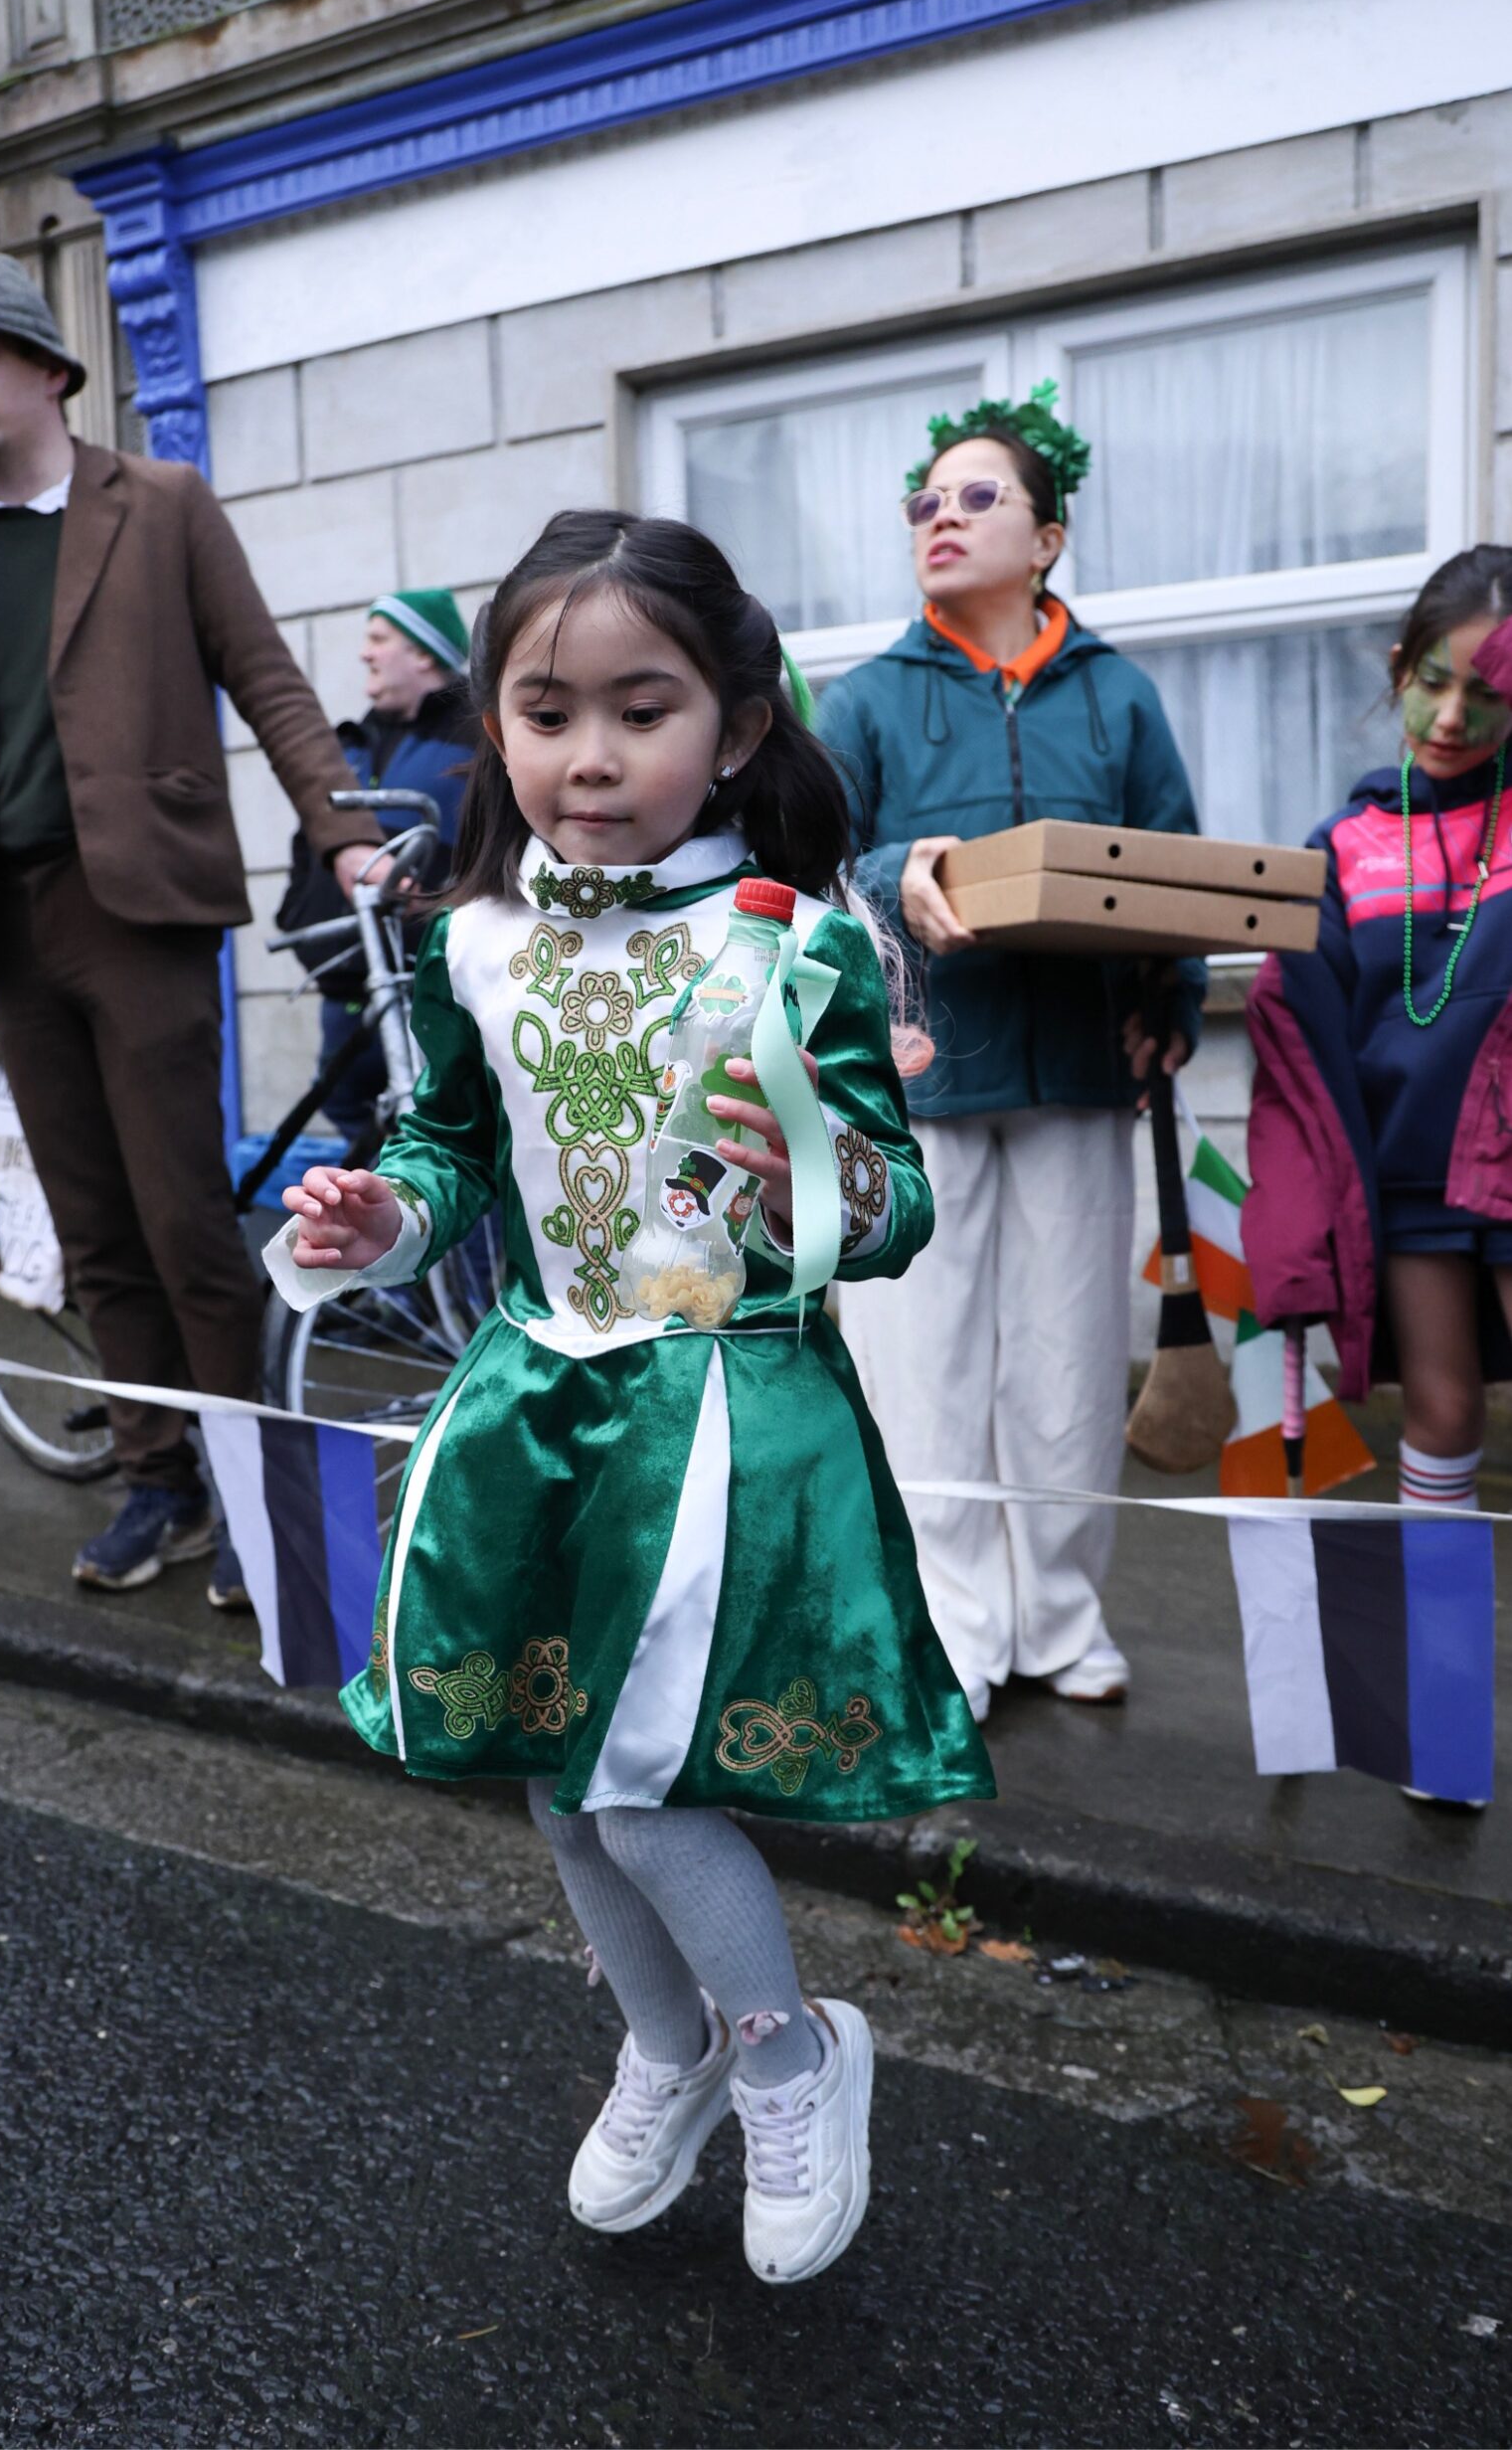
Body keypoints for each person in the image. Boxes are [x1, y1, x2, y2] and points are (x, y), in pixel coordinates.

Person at [269, 509, 994, 2284]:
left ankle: (789, 2056)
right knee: (549, 1765)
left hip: (725, 1411)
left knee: (640, 1783)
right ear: (494, 727)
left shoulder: (799, 946)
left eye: (639, 710)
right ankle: (667, 2043)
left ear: (733, 727)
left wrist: (811, 1183)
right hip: (535, 1402)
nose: (588, 757)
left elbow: (896, 1205)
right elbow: (450, 1146)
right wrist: (379, 1219)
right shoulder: (473, 941)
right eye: (545, 712)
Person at [0, 242, 385, 1598]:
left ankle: (257, 1491)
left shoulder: (159, 504)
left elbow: (266, 678)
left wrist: (345, 831)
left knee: (187, 1224)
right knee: (94, 1234)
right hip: (7, 921)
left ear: (49, 370)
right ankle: (162, 1484)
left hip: (139, 909)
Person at [816, 384, 1204, 1726]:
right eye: (924, 499)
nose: (941, 516)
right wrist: (895, 871)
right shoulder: (863, 701)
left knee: (1067, 1365)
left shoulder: (1120, 697)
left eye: (977, 496)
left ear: (1047, 539)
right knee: (919, 1368)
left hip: (1081, 1074)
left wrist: (1174, 996)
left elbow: (1173, 864)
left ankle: (1061, 1617)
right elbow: (804, 877)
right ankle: (951, 1621)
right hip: (917, 1081)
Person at [1243, 550, 1512, 1805]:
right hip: (1406, 1182)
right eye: (1432, 682)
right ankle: (1444, 1730)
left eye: (1488, 696)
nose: (1452, 716)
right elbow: (1298, 1045)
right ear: (1397, 669)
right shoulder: (1339, 845)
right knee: (1440, 1421)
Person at [276, 589, 473, 1140]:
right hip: (348, 984)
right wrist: (298, 920)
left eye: (379, 639)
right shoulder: (349, 746)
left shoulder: (476, 739)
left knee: (443, 1122)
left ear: (424, 654)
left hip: (433, 987)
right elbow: (307, 849)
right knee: (346, 1104)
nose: (365, 653)